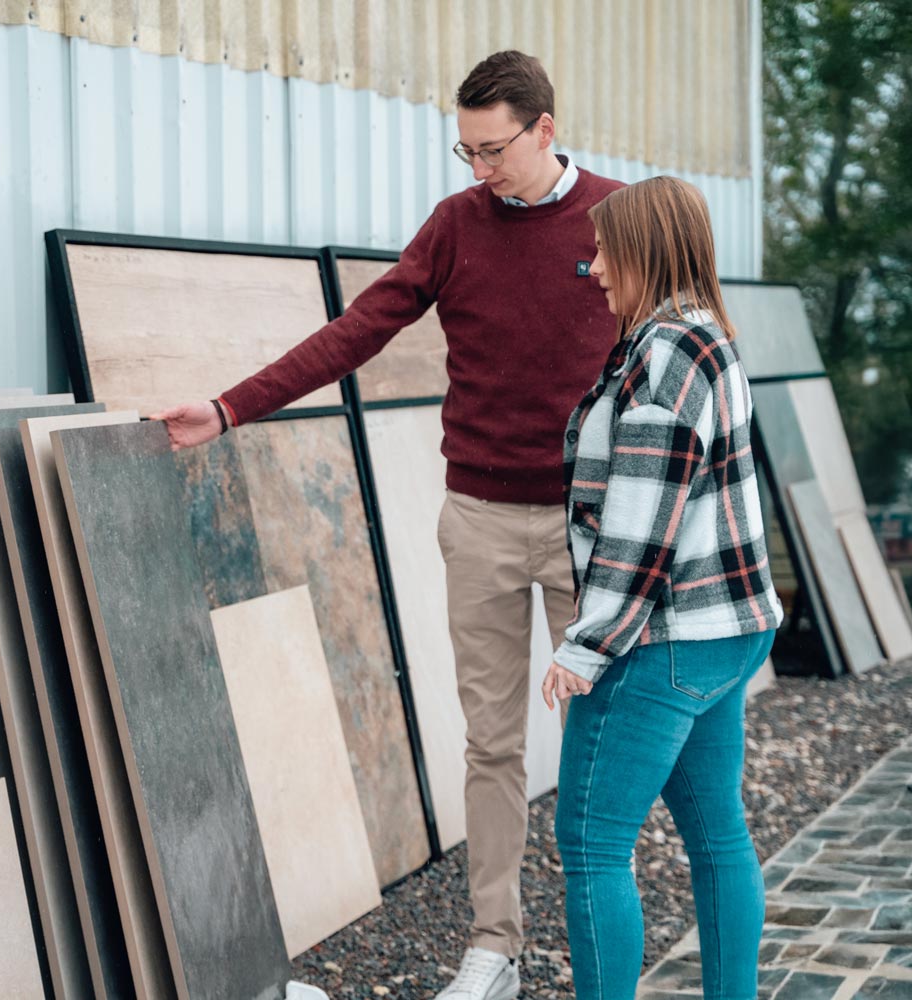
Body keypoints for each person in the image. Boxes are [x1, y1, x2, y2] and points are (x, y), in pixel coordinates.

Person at [154, 50, 624, 1000]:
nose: (479, 170)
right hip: (482, 519)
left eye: (494, 150)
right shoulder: (457, 225)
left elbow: (688, 349)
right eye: (466, 150)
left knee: (602, 741)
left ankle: (600, 947)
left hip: (594, 530)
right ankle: (495, 947)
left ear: (545, 127)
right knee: (491, 742)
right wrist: (232, 406)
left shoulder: (621, 220)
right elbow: (357, 329)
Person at [540, 176, 783, 999]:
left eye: (605, 248)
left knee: (592, 844)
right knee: (718, 836)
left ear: (643, 247)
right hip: (729, 632)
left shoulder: (666, 352)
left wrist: (589, 645)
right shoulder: (707, 336)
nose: (595, 266)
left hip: (665, 639)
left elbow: (644, 522)